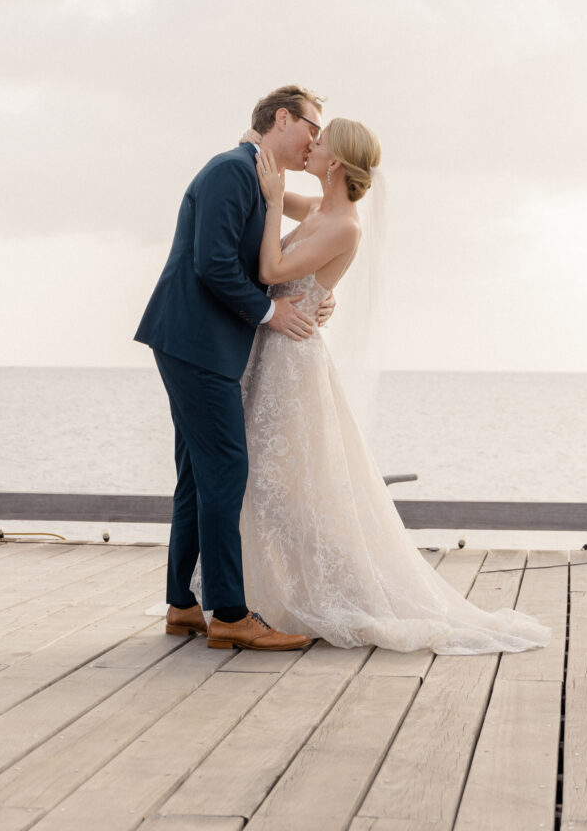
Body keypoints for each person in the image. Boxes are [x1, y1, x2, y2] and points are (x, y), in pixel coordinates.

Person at [236, 119, 552, 654]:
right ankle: (254, 594)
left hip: (294, 362)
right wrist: (256, 142)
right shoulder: (316, 210)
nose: (310, 147)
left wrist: (273, 211)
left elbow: (272, 266)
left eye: (320, 143)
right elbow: (269, 187)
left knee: (288, 482)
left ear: (335, 163)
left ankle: (327, 592)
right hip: (271, 351)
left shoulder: (345, 227)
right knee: (262, 478)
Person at [135, 85, 336, 651]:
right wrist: (272, 311)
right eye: (312, 129)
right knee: (226, 471)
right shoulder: (232, 170)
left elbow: (289, 240)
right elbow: (213, 263)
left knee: (198, 476)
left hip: (194, 340)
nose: (315, 142)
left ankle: (182, 604)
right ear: (280, 119)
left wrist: (315, 291)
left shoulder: (255, 176)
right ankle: (228, 613)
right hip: (195, 341)